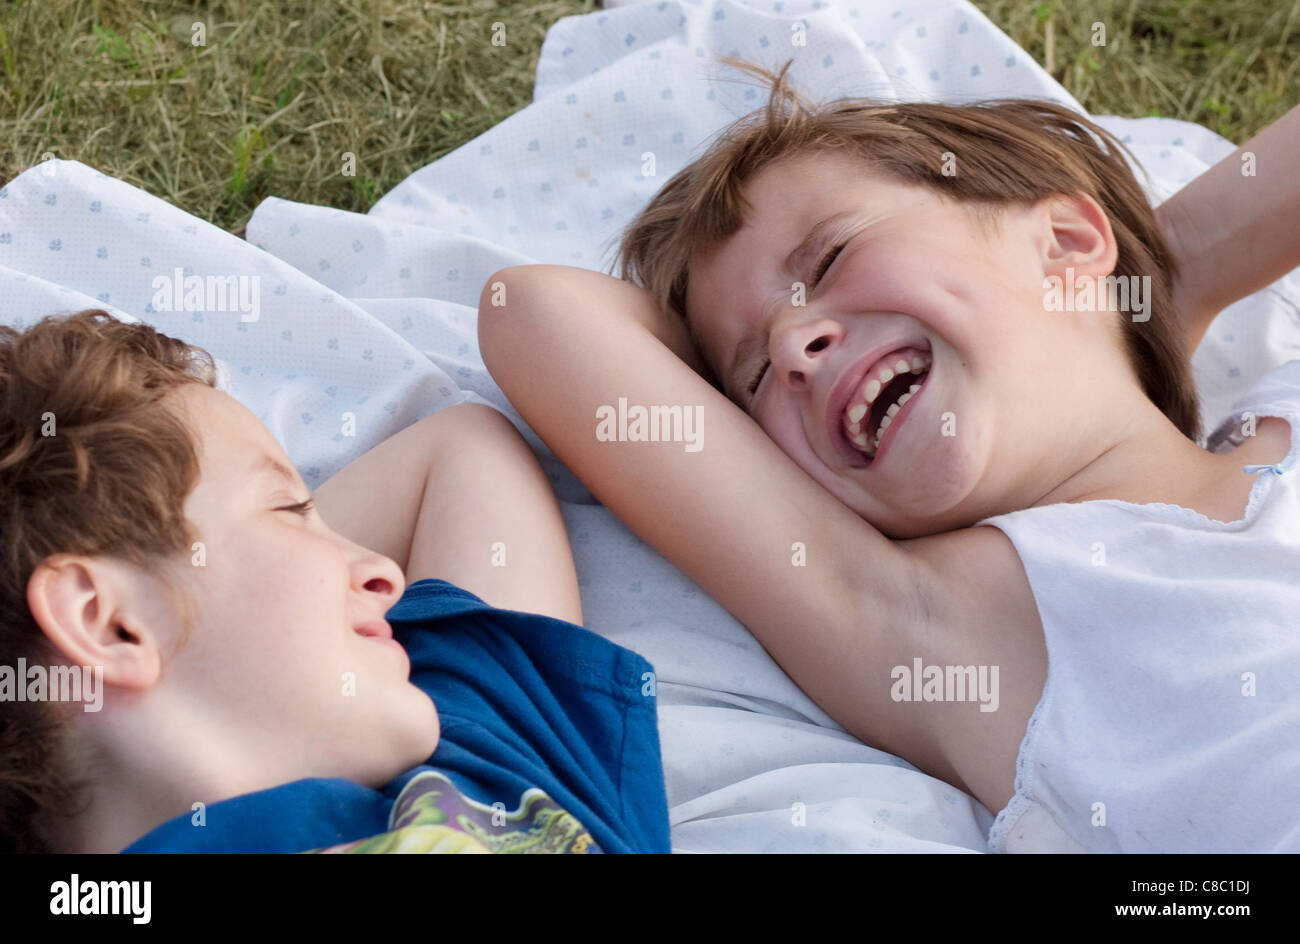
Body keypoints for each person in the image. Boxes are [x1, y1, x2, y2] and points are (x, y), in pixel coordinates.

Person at [478, 61, 1300, 852]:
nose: (797, 345)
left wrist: (1142, 286)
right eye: (758, 375)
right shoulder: (939, 624)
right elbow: (536, 311)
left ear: (1066, 239)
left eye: (830, 259)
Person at [0, 309, 670, 854]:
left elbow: (465, 451)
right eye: (291, 508)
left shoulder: (500, 770)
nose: (386, 575)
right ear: (108, 621)